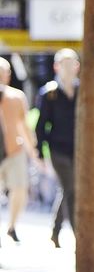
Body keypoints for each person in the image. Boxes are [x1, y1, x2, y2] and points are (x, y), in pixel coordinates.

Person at [35, 48, 81, 248]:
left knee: (68, 189)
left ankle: (56, 230)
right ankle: (79, 234)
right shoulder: (49, 93)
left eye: (72, 64)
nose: (69, 68)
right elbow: (41, 124)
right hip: (58, 149)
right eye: (65, 64)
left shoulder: (82, 90)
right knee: (70, 188)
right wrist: (40, 152)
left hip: (78, 150)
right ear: (57, 66)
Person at [0, 57, 37, 243]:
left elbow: (23, 125)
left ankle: (11, 226)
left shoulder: (16, 97)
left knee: (20, 189)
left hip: (14, 150)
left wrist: (33, 150)